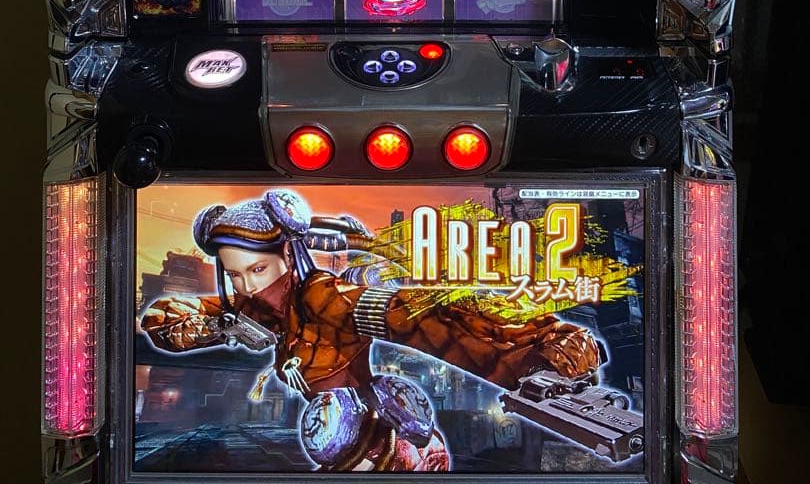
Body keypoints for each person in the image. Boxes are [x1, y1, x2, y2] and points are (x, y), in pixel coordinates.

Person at [141, 189, 601, 472]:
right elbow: (186, 313)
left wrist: (532, 349)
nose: (248, 286)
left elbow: (419, 319)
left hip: (379, 430)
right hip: (344, 434)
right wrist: (184, 321)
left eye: (257, 270)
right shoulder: (255, 304)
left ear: (287, 256)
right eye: (235, 275)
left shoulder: (322, 296)